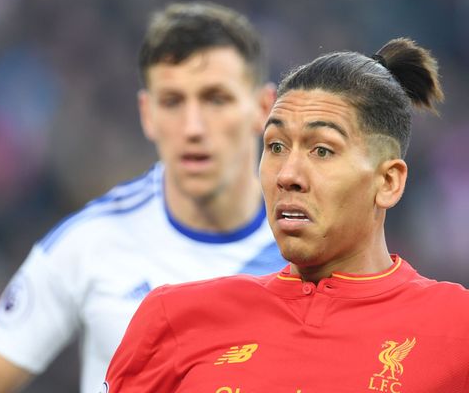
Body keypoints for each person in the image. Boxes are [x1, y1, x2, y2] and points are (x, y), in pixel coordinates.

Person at [0, 1, 285, 393]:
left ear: (262, 108)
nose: (192, 127)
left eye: (215, 99)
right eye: (172, 102)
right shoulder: (90, 242)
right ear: (147, 114)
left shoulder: (314, 244)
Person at [103, 37, 469, 391]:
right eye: (275, 146)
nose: (288, 175)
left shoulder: (457, 329)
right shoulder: (173, 317)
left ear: (388, 181)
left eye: (322, 150)